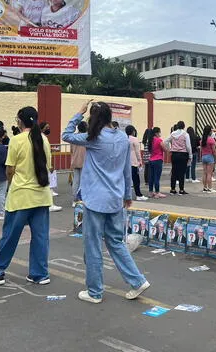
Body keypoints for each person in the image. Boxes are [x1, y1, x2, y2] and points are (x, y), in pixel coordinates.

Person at [61, 101, 150, 303]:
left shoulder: (92, 138)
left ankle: (94, 292)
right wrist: (128, 195)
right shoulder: (122, 138)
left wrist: (78, 113)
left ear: (93, 117)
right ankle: (137, 280)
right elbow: (127, 170)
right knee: (116, 243)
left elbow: (65, 135)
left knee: (92, 246)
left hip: (95, 200)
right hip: (115, 198)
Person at [0, 106, 53, 286]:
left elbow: (10, 169)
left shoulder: (16, 140)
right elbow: (48, 167)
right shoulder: (44, 139)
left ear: (20, 121)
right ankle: (39, 273)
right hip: (42, 195)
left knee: (10, 237)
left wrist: (14, 184)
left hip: (21, 196)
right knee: (40, 237)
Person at [163, 121, 191, 195]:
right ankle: (181, 190)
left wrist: (169, 149)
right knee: (182, 172)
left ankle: (172, 189)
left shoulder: (173, 134)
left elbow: (165, 141)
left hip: (174, 154)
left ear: (177, 126)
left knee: (174, 171)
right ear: (184, 126)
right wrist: (190, 155)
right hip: (183, 154)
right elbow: (188, 146)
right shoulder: (186, 134)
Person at [126, 125, 147, 201]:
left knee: (126, 180)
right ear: (133, 131)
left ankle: (126, 195)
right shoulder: (134, 139)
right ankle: (138, 195)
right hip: (133, 161)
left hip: (125, 162)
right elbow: (137, 152)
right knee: (136, 179)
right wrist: (140, 161)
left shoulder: (124, 138)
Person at [70, 121, 88, 203]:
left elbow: (71, 150)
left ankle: (74, 199)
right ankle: (81, 198)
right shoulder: (86, 137)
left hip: (75, 161)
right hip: (84, 161)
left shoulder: (73, 137)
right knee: (83, 182)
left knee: (75, 181)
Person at [146, 127, 166, 199]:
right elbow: (165, 149)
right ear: (157, 133)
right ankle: (157, 192)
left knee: (151, 177)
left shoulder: (150, 140)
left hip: (151, 160)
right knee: (157, 177)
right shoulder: (159, 140)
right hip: (158, 160)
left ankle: (150, 192)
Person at [200, 125, 216, 193]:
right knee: (209, 174)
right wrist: (215, 158)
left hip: (203, 156)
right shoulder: (211, 139)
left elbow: (201, 150)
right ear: (210, 131)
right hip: (210, 156)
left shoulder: (202, 140)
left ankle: (205, 187)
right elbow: (214, 150)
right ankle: (210, 188)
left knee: (204, 173)